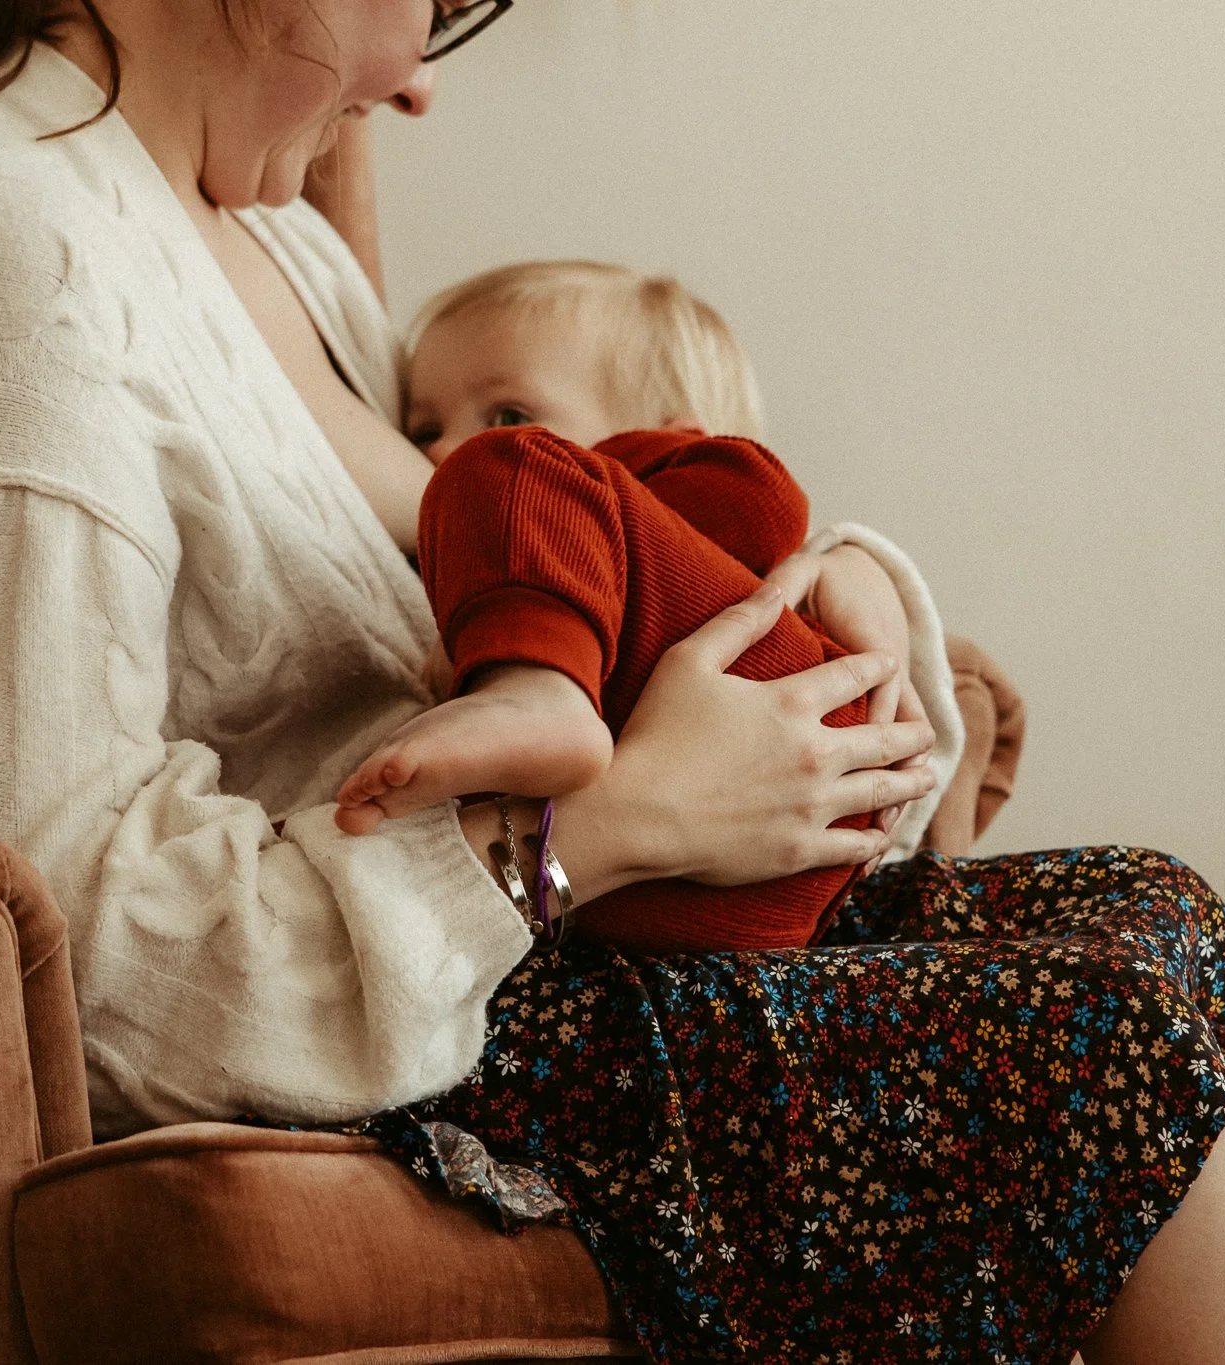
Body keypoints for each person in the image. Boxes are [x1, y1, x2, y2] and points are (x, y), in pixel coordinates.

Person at [0, 1, 1225, 1362]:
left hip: (506, 973)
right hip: (344, 1040)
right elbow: (68, 942)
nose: (419, 81)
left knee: (1152, 916)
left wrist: (824, 604)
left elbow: (529, 556)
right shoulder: (8, 247)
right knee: (1086, 1042)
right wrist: (603, 831)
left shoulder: (257, 237)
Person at [337, 260, 897, 955]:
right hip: (676, 907)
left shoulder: (691, 479)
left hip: (791, 763)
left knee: (501, 470)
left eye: (509, 415)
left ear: (674, 439)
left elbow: (766, 500)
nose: (440, 450)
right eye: (422, 429)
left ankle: (536, 696)